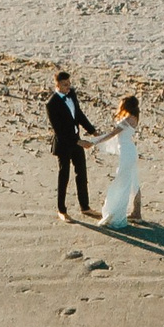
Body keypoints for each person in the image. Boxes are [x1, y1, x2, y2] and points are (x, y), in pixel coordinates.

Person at [45, 70, 99, 222]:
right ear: (57, 85)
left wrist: (93, 131)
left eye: (69, 84)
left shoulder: (72, 94)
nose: (68, 87)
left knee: (81, 173)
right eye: (65, 85)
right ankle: (61, 210)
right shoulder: (51, 103)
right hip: (64, 144)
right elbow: (59, 130)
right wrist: (78, 142)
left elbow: (79, 114)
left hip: (76, 140)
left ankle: (85, 206)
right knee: (64, 176)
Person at [93, 96, 142, 229]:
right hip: (129, 151)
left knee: (122, 183)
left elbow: (112, 134)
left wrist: (94, 142)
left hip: (127, 153)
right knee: (132, 181)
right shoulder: (134, 117)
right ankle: (136, 213)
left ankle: (117, 214)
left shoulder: (128, 119)